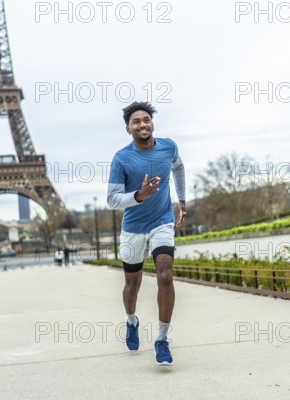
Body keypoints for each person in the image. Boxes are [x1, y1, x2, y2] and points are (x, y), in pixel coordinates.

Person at [107, 101, 186, 366]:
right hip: (132, 229)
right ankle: (132, 321)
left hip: (161, 223)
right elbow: (112, 199)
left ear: (152, 123)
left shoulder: (168, 147)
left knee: (165, 275)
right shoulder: (122, 158)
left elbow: (178, 167)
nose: (143, 124)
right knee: (132, 286)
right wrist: (139, 195)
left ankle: (162, 340)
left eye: (146, 120)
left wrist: (182, 200)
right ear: (128, 129)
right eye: (136, 122)